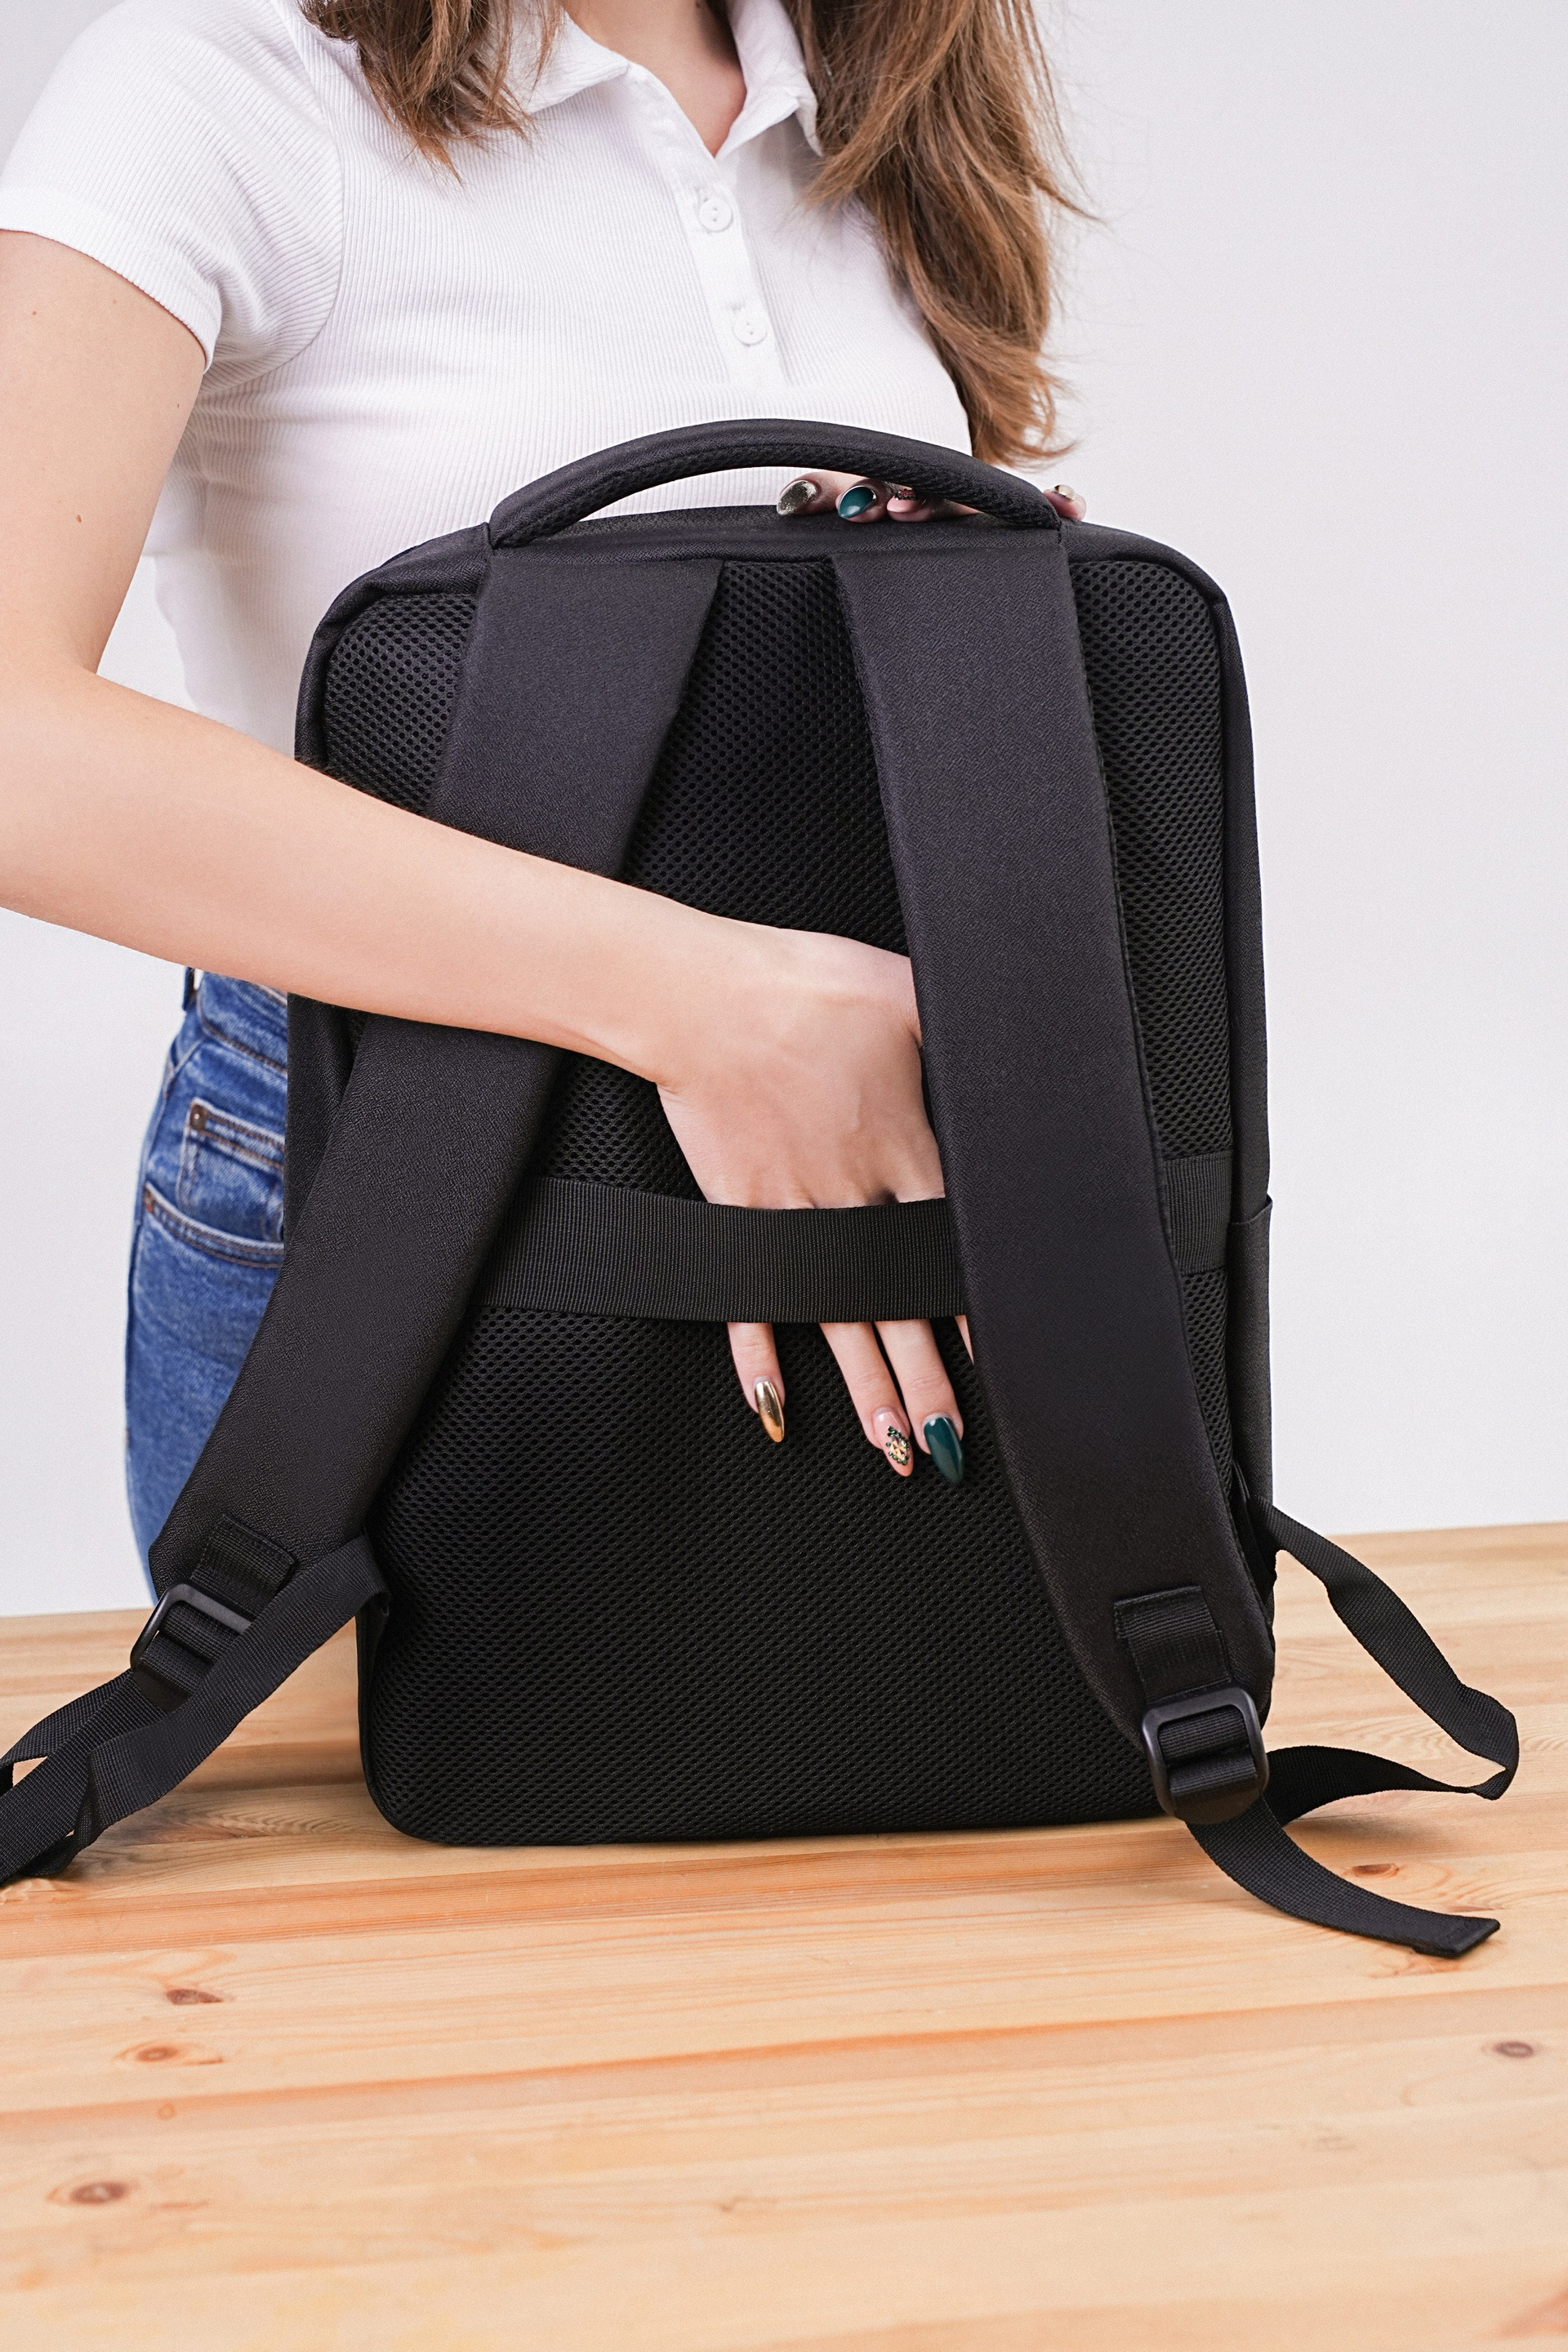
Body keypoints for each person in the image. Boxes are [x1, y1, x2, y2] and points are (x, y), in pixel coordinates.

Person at [0, 0, 1085, 1567]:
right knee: (362, 1732)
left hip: (866, 1149)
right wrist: (704, 1002)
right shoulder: (215, 73)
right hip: (398, 1159)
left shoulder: (873, 85)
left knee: (942, 1710)